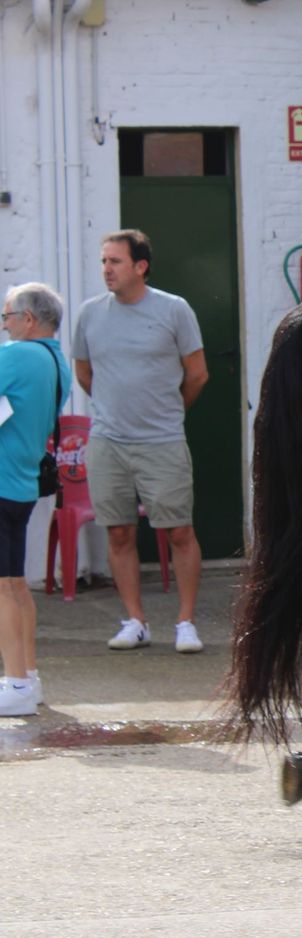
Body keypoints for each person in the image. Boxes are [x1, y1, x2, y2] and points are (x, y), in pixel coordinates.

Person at [73, 230, 209, 653]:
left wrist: (167, 412)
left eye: (115, 261)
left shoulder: (174, 310)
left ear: (140, 266)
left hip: (162, 440)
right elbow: (84, 372)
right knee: (118, 533)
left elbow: (198, 374)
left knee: (180, 531)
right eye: (103, 262)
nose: (106, 270)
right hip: (108, 441)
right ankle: (135, 621)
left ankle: (185, 623)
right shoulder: (90, 314)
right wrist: (117, 409)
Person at [0, 284, 71, 717]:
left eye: (6, 316)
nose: (4, 325)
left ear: (28, 319)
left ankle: (16, 682)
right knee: (17, 584)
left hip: (2, 480)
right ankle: (28, 674)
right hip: (23, 481)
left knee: (4, 587)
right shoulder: (55, 360)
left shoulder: (18, 355)